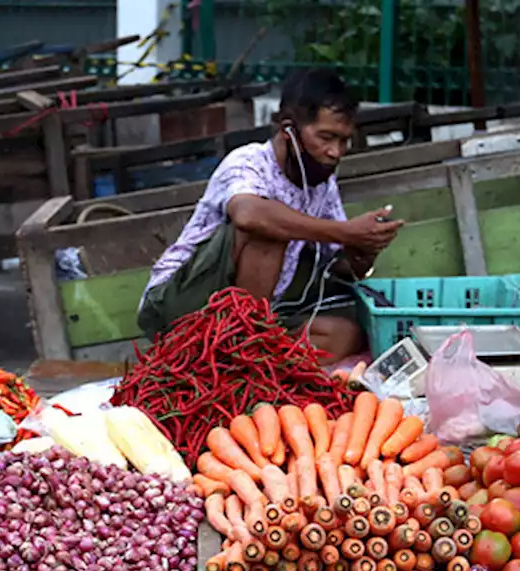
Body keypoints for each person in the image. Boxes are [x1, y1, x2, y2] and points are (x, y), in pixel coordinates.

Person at [137, 69, 405, 364]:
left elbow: (336, 263)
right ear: (288, 129)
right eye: (327, 137)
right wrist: (345, 232)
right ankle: (245, 355)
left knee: (342, 335)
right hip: (179, 302)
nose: (335, 152)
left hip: (259, 314)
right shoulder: (247, 161)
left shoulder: (321, 182)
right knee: (270, 229)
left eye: (344, 141)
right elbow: (249, 214)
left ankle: (242, 359)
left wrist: (362, 251)